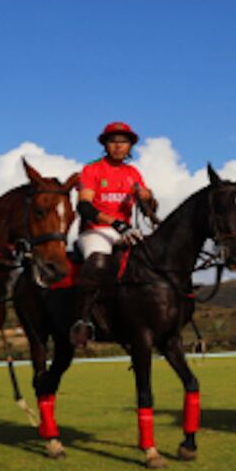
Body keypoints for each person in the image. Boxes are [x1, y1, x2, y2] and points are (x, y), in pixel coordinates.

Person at [71, 121, 156, 345]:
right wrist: (115, 224)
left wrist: (148, 198)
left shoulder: (133, 173)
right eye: (113, 141)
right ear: (105, 145)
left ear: (130, 146)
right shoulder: (92, 169)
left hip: (125, 230)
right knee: (98, 261)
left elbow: (149, 210)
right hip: (96, 231)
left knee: (154, 258)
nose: (118, 146)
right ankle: (83, 321)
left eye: (123, 142)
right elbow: (85, 207)